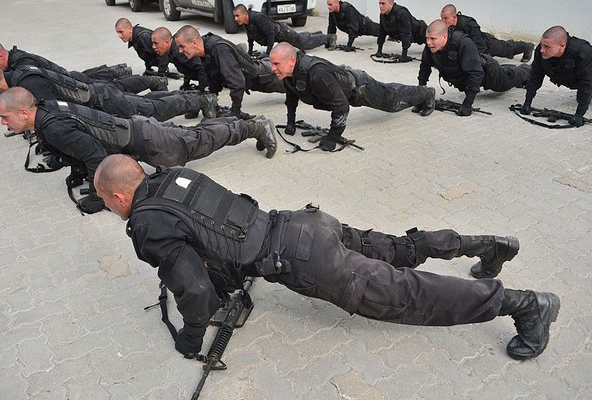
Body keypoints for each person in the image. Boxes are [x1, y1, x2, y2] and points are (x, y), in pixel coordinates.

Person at [94, 153, 560, 361]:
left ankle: (525, 304)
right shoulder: (174, 177)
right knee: (401, 248)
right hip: (304, 222)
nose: (114, 213)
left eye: (110, 205)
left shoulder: (146, 223)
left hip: (308, 261)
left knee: (404, 294)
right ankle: (488, 245)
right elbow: (220, 225)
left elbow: (193, 287)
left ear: (118, 196)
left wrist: (192, 335)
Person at [0, 87, 278, 213]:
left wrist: (97, 196)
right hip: (136, 132)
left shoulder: (51, 126)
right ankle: (244, 123)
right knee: (197, 135)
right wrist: (77, 171)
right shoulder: (46, 110)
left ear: (23, 112)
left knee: (201, 141)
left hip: (146, 140)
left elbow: (95, 156)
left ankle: (254, 127)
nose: (3, 123)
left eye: (6, 117)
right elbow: (82, 145)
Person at [269, 42, 435, 151]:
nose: (272, 69)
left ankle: (427, 93)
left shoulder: (316, 74)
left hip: (360, 88)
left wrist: (332, 137)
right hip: (348, 86)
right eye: (272, 63)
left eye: (276, 64)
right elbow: (291, 97)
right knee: (390, 91)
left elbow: (341, 107)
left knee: (393, 102)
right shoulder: (289, 73)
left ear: (291, 60)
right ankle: (418, 92)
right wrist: (290, 122)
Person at [0, 61, 216, 122]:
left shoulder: (27, 82)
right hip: (99, 96)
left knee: (156, 110)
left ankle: (203, 100)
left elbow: (55, 113)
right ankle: (195, 98)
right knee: (152, 104)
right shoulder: (21, 74)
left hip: (103, 100)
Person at [418, 20, 530, 116]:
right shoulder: (431, 46)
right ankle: (510, 68)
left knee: (507, 82)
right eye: (427, 38)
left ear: (444, 37)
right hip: (471, 73)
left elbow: (476, 74)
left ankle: (527, 70)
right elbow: (424, 68)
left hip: (488, 74)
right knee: (505, 72)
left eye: (433, 39)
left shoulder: (463, 43)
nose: (428, 42)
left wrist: (468, 103)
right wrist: (421, 95)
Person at [174, 25, 285, 118]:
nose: (180, 51)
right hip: (254, 78)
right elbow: (213, 79)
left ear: (194, 43)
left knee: (294, 86)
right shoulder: (203, 51)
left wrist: (235, 111)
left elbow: (237, 83)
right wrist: (211, 103)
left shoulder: (218, 48)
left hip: (265, 76)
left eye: (182, 46)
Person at [520, 25, 592, 127]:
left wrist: (579, 114)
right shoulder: (542, 50)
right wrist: (527, 103)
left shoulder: (583, 52)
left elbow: (587, 84)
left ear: (562, 45)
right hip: (571, 77)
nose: (542, 50)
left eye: (547, 47)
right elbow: (535, 76)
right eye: (542, 45)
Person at [0, 40, 132, 84]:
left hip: (63, 79)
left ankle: (121, 73)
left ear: (0, 56)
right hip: (62, 76)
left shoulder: (21, 63)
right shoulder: (14, 60)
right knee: (87, 76)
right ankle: (118, 70)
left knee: (96, 84)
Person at [440, 4, 534, 62]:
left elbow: (480, 45)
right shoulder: (448, 27)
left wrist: (483, 61)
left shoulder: (469, 24)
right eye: (442, 18)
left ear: (454, 17)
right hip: (473, 46)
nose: (443, 21)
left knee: (506, 48)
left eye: (445, 18)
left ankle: (527, 46)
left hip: (487, 43)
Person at [233, 4, 335, 56]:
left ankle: (328, 37)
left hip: (283, 33)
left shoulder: (258, 18)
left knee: (304, 44)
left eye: (237, 16)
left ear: (245, 14)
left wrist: (268, 53)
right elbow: (250, 37)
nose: (235, 19)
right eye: (235, 16)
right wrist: (250, 52)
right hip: (279, 36)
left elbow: (270, 34)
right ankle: (314, 34)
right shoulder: (245, 22)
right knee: (300, 38)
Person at [151, 27, 210, 92]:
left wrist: (202, 91)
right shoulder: (172, 50)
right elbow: (187, 68)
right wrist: (186, 85)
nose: (153, 47)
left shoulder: (178, 51)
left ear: (166, 43)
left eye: (156, 43)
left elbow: (201, 68)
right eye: (153, 43)